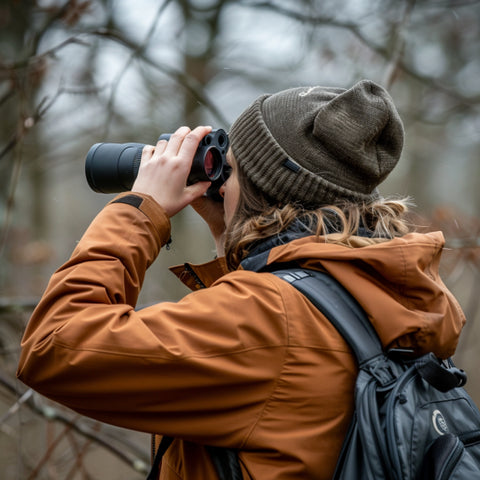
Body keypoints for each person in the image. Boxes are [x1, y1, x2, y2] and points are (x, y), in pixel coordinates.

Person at [17, 80, 465, 480]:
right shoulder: (376, 290)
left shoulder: (269, 317)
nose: (219, 184)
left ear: (260, 188)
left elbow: (54, 345)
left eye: (228, 171)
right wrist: (232, 237)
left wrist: (141, 208)